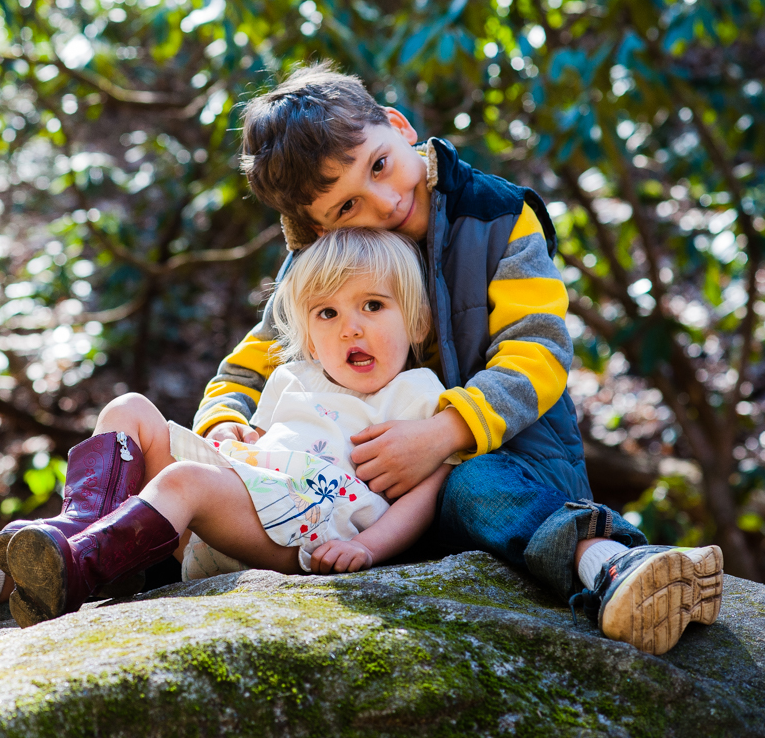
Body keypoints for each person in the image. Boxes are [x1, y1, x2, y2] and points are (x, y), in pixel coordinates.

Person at [193, 61, 721, 656]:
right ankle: (99, 551)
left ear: (397, 126)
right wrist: (223, 424)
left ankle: (614, 567)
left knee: (475, 485)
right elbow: (249, 365)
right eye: (345, 208)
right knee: (216, 484)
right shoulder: (325, 265)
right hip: (367, 511)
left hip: (505, 470)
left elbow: (538, 351)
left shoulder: (497, 217)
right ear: (314, 232)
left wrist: (443, 433)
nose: (386, 201)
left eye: (380, 165)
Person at [3, 228, 453, 627]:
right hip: (247, 500)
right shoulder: (293, 377)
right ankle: (76, 530)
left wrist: (370, 547)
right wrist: (234, 434)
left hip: (309, 526)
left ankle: (80, 571)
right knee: (129, 408)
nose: (350, 329)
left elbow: (423, 496)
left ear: (416, 322)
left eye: (372, 305)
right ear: (309, 336)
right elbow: (262, 444)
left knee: (184, 481)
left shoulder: (419, 394)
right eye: (327, 313)